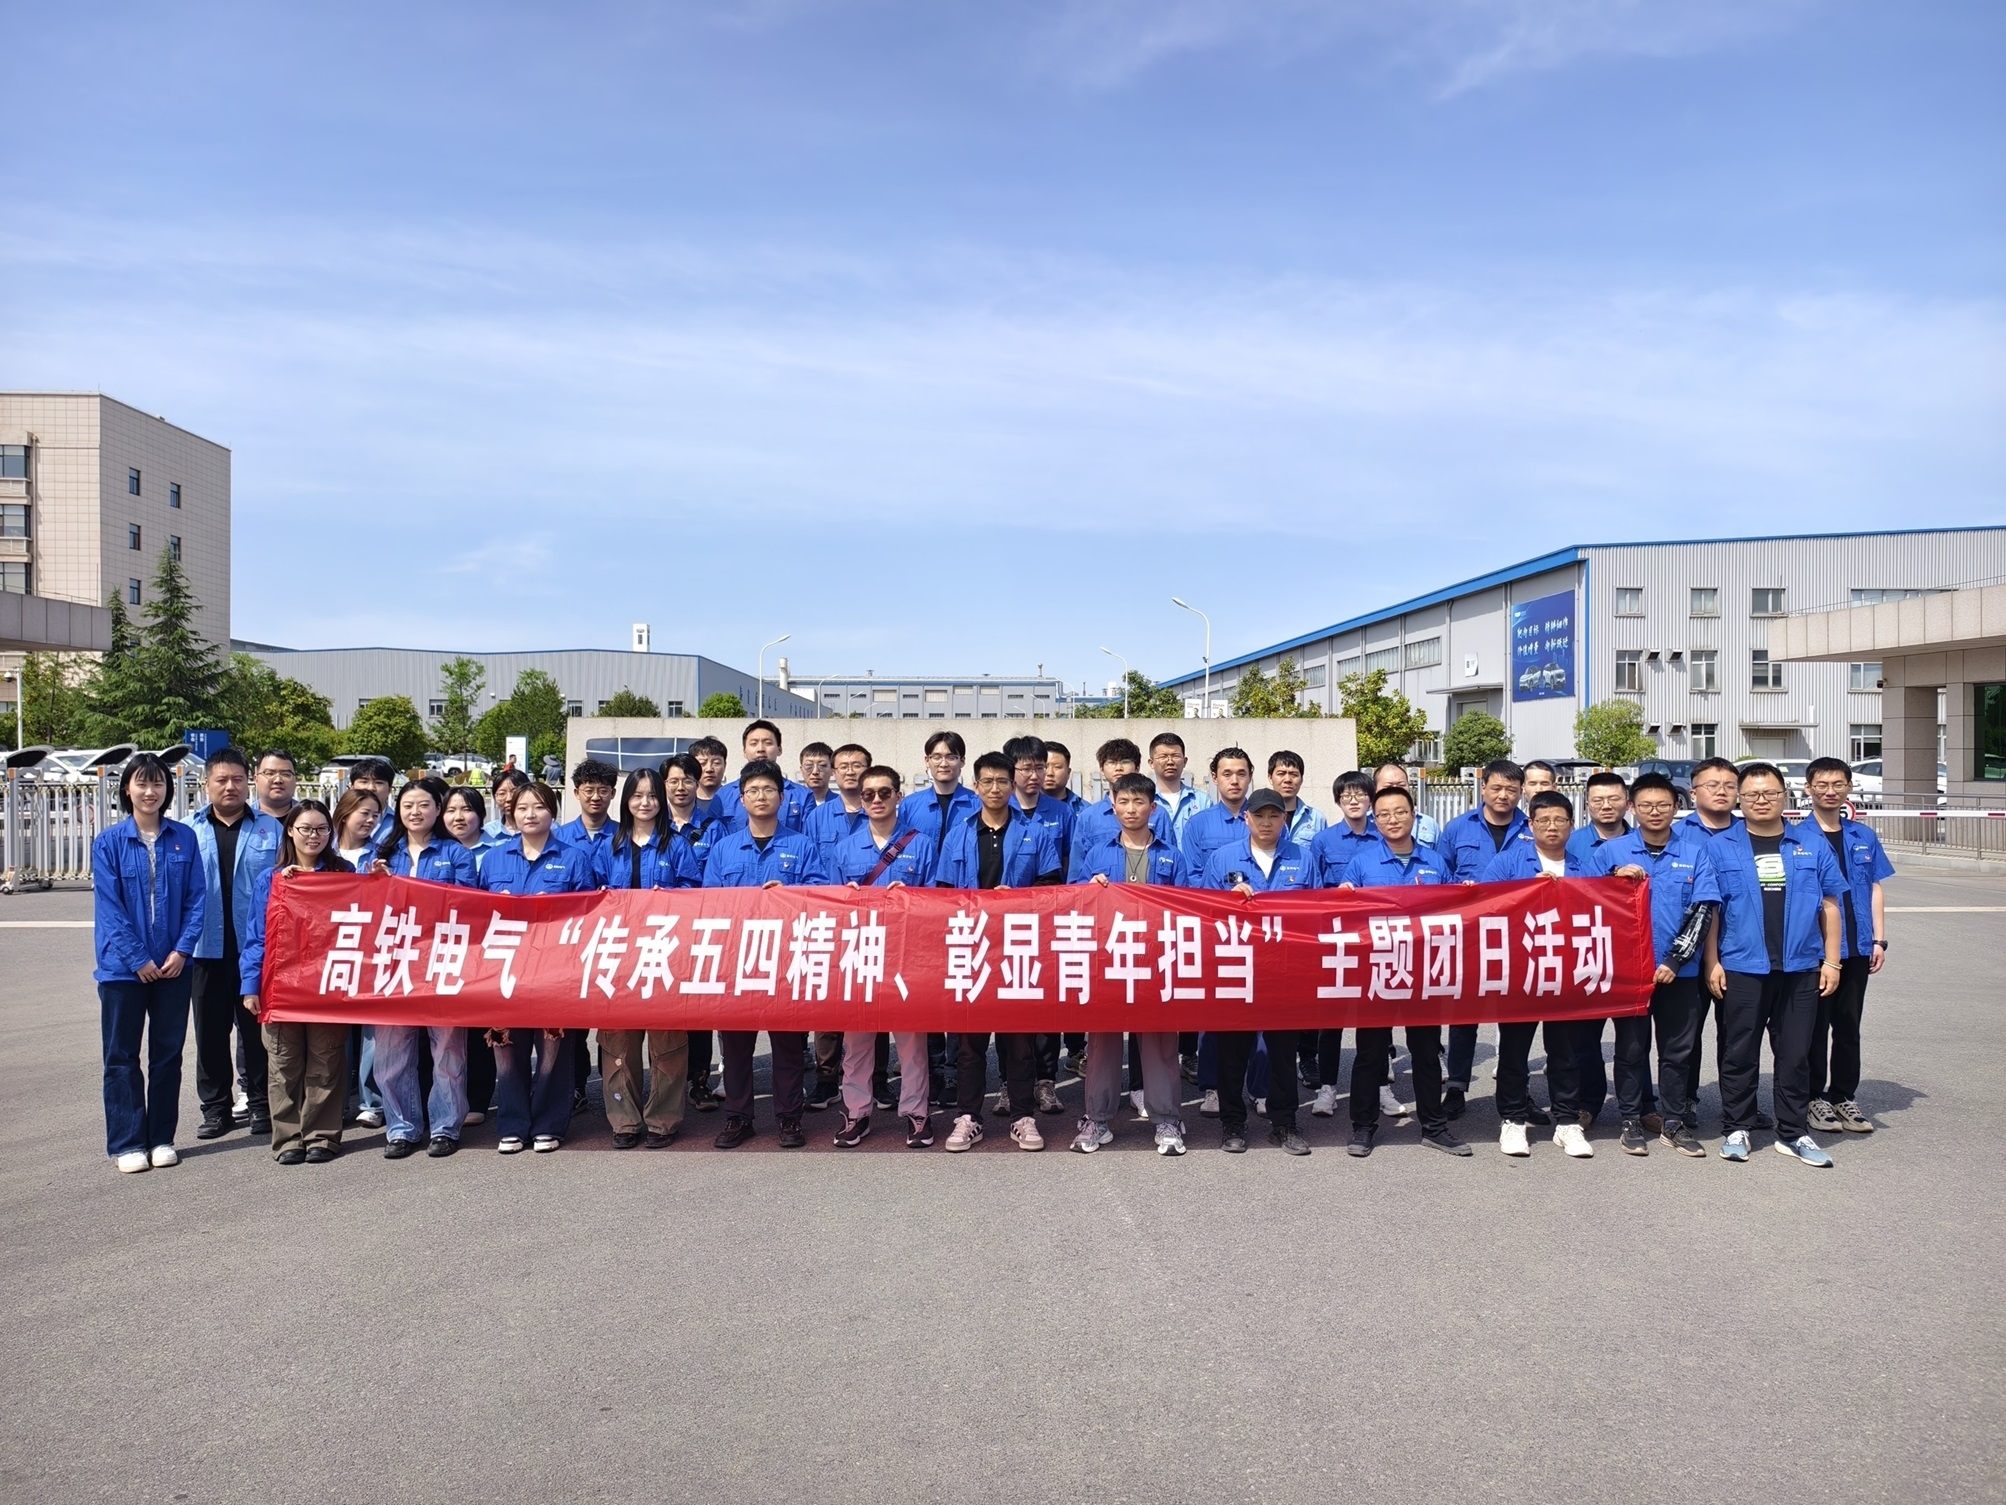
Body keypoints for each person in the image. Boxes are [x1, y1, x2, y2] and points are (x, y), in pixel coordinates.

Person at [1702, 763, 1847, 1167]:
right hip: (1742, 966)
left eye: (1770, 793)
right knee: (1739, 1052)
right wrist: (1713, 962)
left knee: (1796, 1054)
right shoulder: (1720, 846)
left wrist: (1832, 962)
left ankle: (1793, 1132)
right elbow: (1712, 910)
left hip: (1801, 968)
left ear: (1785, 796)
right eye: (1752, 795)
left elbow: (1830, 905)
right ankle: (1737, 1127)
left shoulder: (1811, 844)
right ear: (1740, 799)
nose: (1761, 800)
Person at [936, 751, 1065, 1153]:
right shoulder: (958, 834)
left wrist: (1019, 898)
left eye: (1002, 781)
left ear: (1013, 785)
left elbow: (1051, 887)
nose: (995, 789)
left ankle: (1023, 1117)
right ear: (975, 786)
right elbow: (942, 893)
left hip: (1017, 948)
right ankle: (968, 1117)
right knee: (970, 1043)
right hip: (971, 947)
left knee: (1020, 1041)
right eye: (987, 782)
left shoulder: (1035, 833)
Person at [1333, 785, 1468, 1158]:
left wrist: (1467, 893)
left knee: (1426, 1052)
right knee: (1370, 1053)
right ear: (1375, 821)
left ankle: (1433, 1127)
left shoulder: (1435, 862)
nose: (1393, 820)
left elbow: (1455, 912)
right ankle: (1363, 1127)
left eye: (1400, 812)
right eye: (1384, 814)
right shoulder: (1362, 864)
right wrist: (1344, 895)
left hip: (1423, 971)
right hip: (1377, 970)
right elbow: (1345, 917)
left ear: (1413, 815)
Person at [1592, 772, 1722, 1157]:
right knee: (1631, 1050)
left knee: (1677, 1052)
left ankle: (1674, 1121)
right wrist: (1612, 878)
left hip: (1679, 974)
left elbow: (1704, 909)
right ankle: (1630, 1119)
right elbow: (1586, 903)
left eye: (1663, 805)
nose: (1655, 812)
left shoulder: (1695, 853)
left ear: (1676, 807)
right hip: (1629, 975)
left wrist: (1675, 960)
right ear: (1632, 808)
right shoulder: (1611, 853)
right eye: (1646, 805)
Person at [704, 760, 829, 1149]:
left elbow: (819, 897)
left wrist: (790, 895)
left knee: (788, 1045)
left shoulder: (801, 846)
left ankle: (789, 1117)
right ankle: (738, 1117)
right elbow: (708, 905)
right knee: (736, 1045)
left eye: (769, 790)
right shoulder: (724, 849)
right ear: (741, 799)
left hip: (786, 960)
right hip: (736, 960)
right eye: (753, 791)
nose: (761, 796)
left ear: (782, 797)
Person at [1068, 772, 1193, 1156]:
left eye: (1139, 802)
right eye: (1123, 802)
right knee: (1102, 1043)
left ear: (1153, 808)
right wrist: (1089, 890)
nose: (1131, 809)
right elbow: (1073, 900)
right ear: (1113, 806)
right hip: (1107, 959)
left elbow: (1186, 907)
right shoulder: (1097, 853)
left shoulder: (1171, 855)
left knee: (1159, 1043)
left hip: (1156, 960)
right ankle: (1097, 1118)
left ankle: (1167, 1118)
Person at [93, 753, 205, 1173]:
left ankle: (161, 1138)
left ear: (167, 790)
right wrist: (137, 958)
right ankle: (127, 1143)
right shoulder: (108, 842)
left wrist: (182, 950)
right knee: (121, 1056)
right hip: (122, 970)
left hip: (174, 966)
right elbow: (110, 908)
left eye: (157, 783)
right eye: (141, 783)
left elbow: (197, 899)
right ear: (127, 789)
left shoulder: (184, 838)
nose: (150, 791)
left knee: (167, 1054)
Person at [1198, 788, 1319, 1155]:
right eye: (1260, 815)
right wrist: (1228, 899)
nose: (1267, 822)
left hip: (1285, 971)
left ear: (1285, 819)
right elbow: (1202, 911)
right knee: (1232, 1052)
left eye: (1274, 815)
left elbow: (1317, 912)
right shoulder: (1223, 858)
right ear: (1246, 818)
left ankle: (1285, 1124)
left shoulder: (1303, 858)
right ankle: (1232, 1123)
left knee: (1282, 1052)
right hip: (1236, 968)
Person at [479, 782, 599, 1153]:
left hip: (554, 969)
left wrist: (556, 909)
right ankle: (513, 1124)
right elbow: (477, 914)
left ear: (553, 811)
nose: (530, 814)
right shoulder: (495, 858)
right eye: (522, 807)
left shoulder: (575, 858)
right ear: (510, 812)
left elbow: (589, 912)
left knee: (552, 1051)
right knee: (507, 1049)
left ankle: (549, 1124)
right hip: (506, 968)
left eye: (539, 807)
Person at [1478, 790, 1599, 1159]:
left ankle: (1566, 1122)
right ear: (1530, 825)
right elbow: (1484, 905)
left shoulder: (1584, 867)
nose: (1552, 827)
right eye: (1543, 820)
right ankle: (1513, 1120)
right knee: (1514, 1052)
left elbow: (1600, 911)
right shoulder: (1508, 862)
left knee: (1565, 1052)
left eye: (1559, 820)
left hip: (1566, 973)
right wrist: (1528, 891)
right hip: (1521, 971)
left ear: (1572, 824)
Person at [825, 765, 939, 1149]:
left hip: (907, 957)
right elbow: (829, 907)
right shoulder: (844, 849)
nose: (876, 800)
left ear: (898, 796)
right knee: (857, 1043)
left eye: (884, 792)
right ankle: (856, 1113)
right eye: (868, 794)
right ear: (860, 800)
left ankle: (917, 1114)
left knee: (911, 1044)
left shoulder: (922, 845)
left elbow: (939, 901)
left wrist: (912, 898)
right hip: (860, 955)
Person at [239, 801, 353, 1164]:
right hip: (280, 984)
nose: (313, 836)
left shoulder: (343, 873)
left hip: (326, 983)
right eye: (305, 828)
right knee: (283, 1063)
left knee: (326, 1061)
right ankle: (288, 1139)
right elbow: (256, 936)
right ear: (290, 831)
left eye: (321, 829)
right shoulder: (272, 879)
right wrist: (250, 985)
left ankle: (322, 1136)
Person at [371, 775, 477, 1159]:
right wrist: (375, 882)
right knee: (391, 1053)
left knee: (447, 1050)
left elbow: (468, 904)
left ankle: (446, 1127)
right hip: (394, 961)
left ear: (438, 809)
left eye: (424, 805)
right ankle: (402, 1128)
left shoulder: (457, 854)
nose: (415, 812)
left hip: (441, 959)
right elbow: (365, 907)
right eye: (408, 806)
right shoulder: (383, 854)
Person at [594, 767, 699, 1149]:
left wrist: (670, 898)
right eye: (637, 796)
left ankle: (663, 1121)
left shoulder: (678, 846)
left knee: (667, 1043)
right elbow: (589, 896)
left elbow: (696, 893)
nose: (645, 803)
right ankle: (624, 1121)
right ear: (626, 801)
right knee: (618, 1044)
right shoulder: (608, 845)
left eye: (652, 795)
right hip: (618, 958)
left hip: (664, 955)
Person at [187, 747, 284, 1142]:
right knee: (209, 1035)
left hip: (255, 951)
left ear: (249, 783)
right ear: (206, 784)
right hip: (204, 950)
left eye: (238, 779)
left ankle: (261, 1104)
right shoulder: (188, 831)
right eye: (221, 780)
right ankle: (216, 1109)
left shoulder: (272, 829)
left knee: (256, 1032)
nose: (230, 786)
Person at [1793, 758, 1893, 1136]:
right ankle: (1813, 1097)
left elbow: (1875, 887)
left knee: (1849, 1026)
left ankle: (1843, 1096)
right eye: (1821, 784)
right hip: (1816, 951)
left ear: (1849, 787)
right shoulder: (1798, 838)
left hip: (1858, 947)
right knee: (1815, 1027)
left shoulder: (1862, 835)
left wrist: (1879, 939)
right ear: (1808, 789)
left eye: (1838, 784)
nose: (1829, 791)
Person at [1435, 758, 1533, 1119]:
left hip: (1519, 936)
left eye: (1511, 789)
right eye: (1497, 787)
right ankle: (1457, 1087)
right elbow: (1441, 876)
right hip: (1471, 935)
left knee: (1516, 1017)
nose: (1503, 795)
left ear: (1521, 792)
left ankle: (1516, 1089)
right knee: (1464, 1015)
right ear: (1483, 788)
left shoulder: (1532, 827)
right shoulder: (1458, 828)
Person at [1304, 770, 1384, 1117]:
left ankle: (1380, 1086)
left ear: (1370, 799)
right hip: (1337, 938)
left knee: (1376, 1017)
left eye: (1360, 794)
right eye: (1347, 795)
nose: (1354, 800)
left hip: (1377, 938)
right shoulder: (1323, 841)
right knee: (1332, 1018)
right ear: (1338, 801)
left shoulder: (1384, 837)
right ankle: (1327, 1087)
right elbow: (1314, 890)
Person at [1565, 770, 1636, 1124]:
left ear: (1627, 802)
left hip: (1632, 953)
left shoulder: (1643, 840)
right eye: (1598, 800)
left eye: (1613, 798)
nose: (1606, 805)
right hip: (1587, 950)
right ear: (1587, 804)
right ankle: (1587, 1103)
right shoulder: (1571, 842)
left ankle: (1640, 1105)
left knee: (1634, 1038)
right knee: (1585, 1037)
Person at [1679, 756, 1746, 1122]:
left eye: (1729, 786)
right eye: (1712, 785)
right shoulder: (1678, 835)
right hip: (1689, 954)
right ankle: (1684, 1101)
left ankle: (1737, 1106)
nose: (1722, 791)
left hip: (1739, 951)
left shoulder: (1751, 833)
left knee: (1737, 1035)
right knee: (1686, 1035)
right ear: (1693, 793)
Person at [662, 752, 727, 1110]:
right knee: (664, 1008)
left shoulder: (714, 829)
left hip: (701, 930)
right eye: (673, 780)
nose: (680, 787)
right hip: (660, 933)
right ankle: (664, 1083)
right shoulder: (652, 825)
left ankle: (699, 1080)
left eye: (687, 780)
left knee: (699, 1008)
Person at [442, 786, 498, 1124]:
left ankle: (478, 1098)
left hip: (482, 948)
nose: (458, 817)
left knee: (479, 1026)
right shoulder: (432, 849)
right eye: (451, 810)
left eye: (466, 809)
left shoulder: (497, 851)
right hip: (443, 947)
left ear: (481, 813)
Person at [1073, 738, 1176, 849]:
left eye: (1125, 762)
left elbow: (1170, 853)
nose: (1118, 768)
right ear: (1102, 770)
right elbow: (1079, 858)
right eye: (1111, 762)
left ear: (1137, 768)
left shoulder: (1158, 813)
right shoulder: (1089, 816)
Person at [711, 721, 814, 830]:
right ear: (744, 751)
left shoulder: (803, 796)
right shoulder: (723, 795)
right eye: (753, 743)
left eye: (768, 743)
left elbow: (811, 835)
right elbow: (713, 835)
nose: (760, 749)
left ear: (779, 749)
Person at [898, 729, 979, 847]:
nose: (943, 764)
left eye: (951, 757)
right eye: (937, 757)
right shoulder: (909, 805)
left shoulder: (978, 805)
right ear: (927, 761)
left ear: (962, 761)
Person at [1179, 747, 1253, 875]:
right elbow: (1193, 876)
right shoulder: (1197, 824)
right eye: (1227, 774)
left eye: (1241, 774)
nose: (1234, 781)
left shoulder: (1269, 822)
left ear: (1250, 777)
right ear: (1215, 778)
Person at [805, 742, 873, 848]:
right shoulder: (817, 816)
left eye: (856, 766)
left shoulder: (879, 812)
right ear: (833, 772)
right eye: (843, 767)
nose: (850, 772)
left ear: (868, 770)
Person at [1149, 732, 1211, 839]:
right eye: (1163, 757)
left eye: (1176, 756)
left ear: (1185, 761)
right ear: (1151, 763)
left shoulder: (1202, 801)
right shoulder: (1143, 801)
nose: (1170, 762)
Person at [555, 758, 620, 855]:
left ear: (613, 793)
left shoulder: (625, 836)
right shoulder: (557, 838)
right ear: (577, 793)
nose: (596, 797)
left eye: (603, 791)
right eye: (589, 791)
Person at [1266, 750, 1326, 847]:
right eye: (1281, 773)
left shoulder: (1316, 818)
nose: (1287, 780)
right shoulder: (1258, 817)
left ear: (1302, 780)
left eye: (1294, 774)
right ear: (1270, 778)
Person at [1372, 763, 1440, 845]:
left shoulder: (1429, 824)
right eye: (1388, 787)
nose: (1396, 790)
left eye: (1401, 785)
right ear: (1375, 789)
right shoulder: (1364, 824)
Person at [346, 757, 399, 846]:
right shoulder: (340, 820)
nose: (371, 788)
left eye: (379, 782)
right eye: (364, 782)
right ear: (352, 787)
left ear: (390, 789)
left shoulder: (399, 823)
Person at [483, 766, 530, 841]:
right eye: (502, 793)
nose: (509, 799)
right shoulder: (488, 832)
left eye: (514, 792)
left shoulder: (543, 829)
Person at [1042, 741, 1086, 820]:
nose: (1050, 773)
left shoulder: (1085, 811)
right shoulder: (1023, 809)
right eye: (1044, 767)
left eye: (1057, 767)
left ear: (1068, 772)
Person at [689, 735, 730, 820]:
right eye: (702, 763)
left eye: (716, 763)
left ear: (725, 766)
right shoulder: (684, 802)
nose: (709, 769)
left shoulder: (734, 801)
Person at [253, 748, 300, 820]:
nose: (278, 780)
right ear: (256, 780)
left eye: (286, 774)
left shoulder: (311, 819)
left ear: (295, 780)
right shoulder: (242, 819)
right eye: (270, 773)